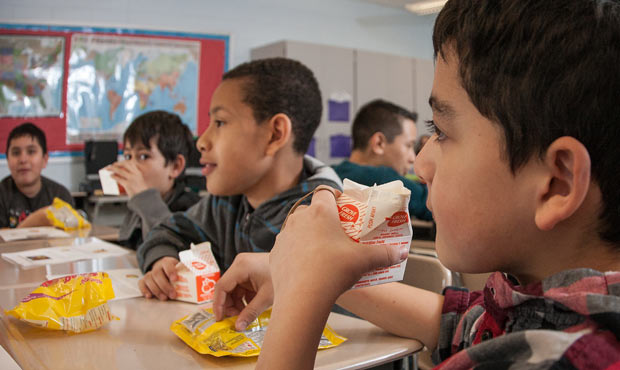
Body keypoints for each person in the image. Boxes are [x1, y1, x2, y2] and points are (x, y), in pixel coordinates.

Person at [212, 0, 620, 368]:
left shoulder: (570, 359)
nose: (421, 163)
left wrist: (302, 296)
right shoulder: (548, 309)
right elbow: (459, 322)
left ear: (556, 184)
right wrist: (305, 273)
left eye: (441, 131)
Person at [136, 57, 343, 301]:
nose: (201, 141)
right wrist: (163, 259)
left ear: (274, 134)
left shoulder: (321, 215)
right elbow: (169, 231)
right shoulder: (227, 203)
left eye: (220, 122)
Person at [106, 110, 201, 249]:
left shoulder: (194, 211)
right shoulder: (137, 207)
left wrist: (144, 199)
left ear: (176, 166)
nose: (130, 166)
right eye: (127, 156)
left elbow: (174, 251)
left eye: (143, 156)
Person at [332, 99, 432, 220]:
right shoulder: (383, 178)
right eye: (408, 145)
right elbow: (432, 204)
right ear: (379, 143)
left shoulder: (332, 173)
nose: (413, 158)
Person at [0, 122, 74, 228]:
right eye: (16, 153)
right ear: (7, 159)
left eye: (31, 152)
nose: (23, 160)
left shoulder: (60, 195)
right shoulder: (2, 195)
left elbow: (71, 235)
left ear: (44, 159)